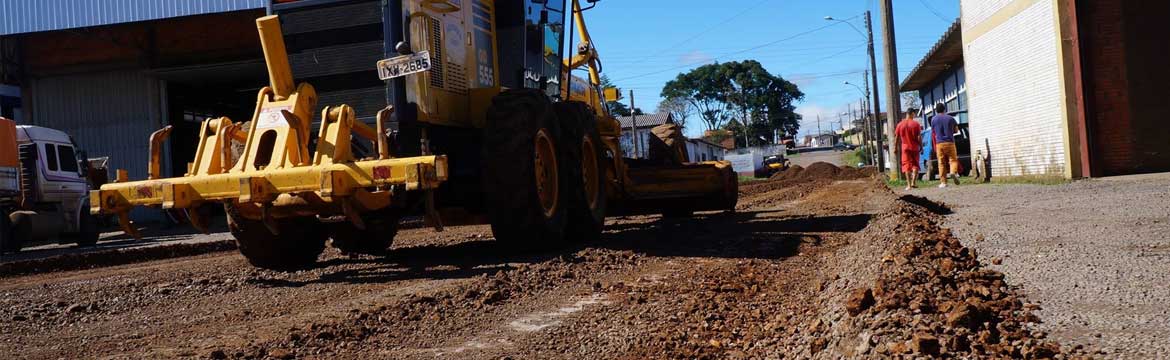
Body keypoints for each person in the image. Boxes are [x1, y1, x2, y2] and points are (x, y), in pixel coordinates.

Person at [930, 103, 961, 187]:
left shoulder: (933, 119)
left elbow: (933, 132)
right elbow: (956, 130)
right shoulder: (951, 118)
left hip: (939, 143)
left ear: (936, 110)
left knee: (941, 163)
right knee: (953, 160)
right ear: (944, 109)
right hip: (950, 142)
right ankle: (952, 172)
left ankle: (943, 182)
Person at [894, 107, 922, 190]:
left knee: (906, 165)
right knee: (915, 165)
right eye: (914, 114)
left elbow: (897, 137)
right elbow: (919, 137)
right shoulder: (916, 124)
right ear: (912, 114)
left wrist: (895, 148)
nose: (914, 116)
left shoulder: (900, 124)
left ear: (906, 114)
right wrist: (921, 146)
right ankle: (914, 182)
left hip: (905, 148)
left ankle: (909, 185)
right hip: (914, 147)